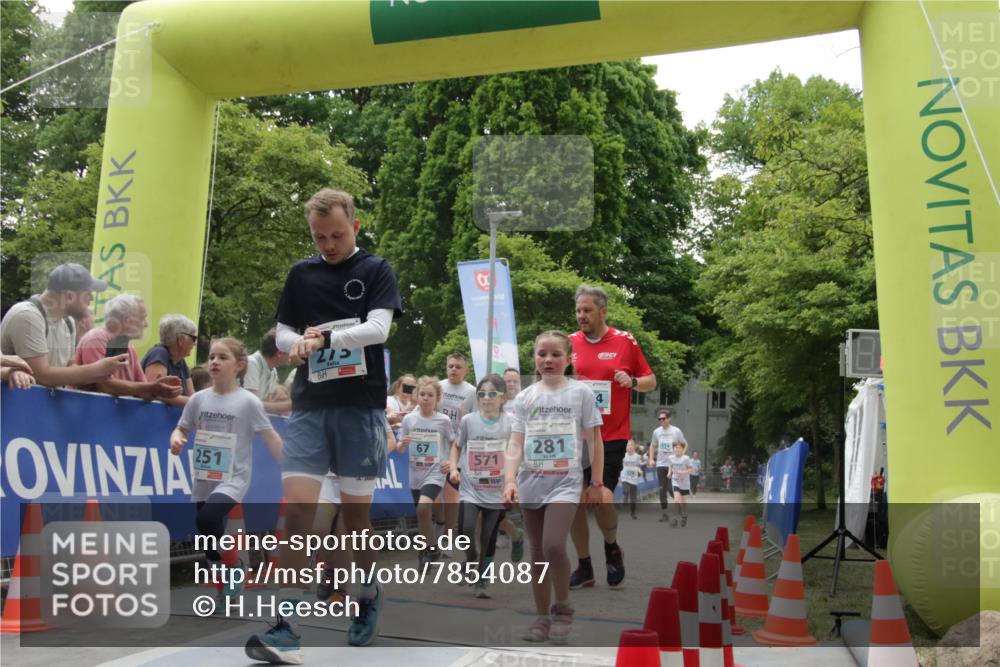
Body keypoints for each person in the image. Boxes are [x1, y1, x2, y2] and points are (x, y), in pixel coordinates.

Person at [246, 188, 401, 663]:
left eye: (335, 235)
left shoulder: (375, 271)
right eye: (319, 237)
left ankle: (367, 595)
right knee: (297, 513)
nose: (327, 244)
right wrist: (299, 342)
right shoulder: (301, 274)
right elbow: (285, 331)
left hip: (359, 408)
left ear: (354, 226)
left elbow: (378, 329)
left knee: (354, 524)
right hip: (309, 407)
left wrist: (325, 336)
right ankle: (286, 628)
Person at [503, 331, 603, 645]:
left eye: (556, 354)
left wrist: (597, 482)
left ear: (569, 358)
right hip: (531, 482)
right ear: (534, 358)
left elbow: (594, 440)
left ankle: (563, 609)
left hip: (566, 482)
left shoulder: (581, 393)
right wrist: (509, 479)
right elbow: (515, 443)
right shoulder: (525, 397)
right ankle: (541, 618)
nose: (548, 360)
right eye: (542, 354)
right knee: (537, 555)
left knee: (554, 546)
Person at [169, 337, 282, 600]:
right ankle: (224, 590)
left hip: (234, 477)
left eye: (223, 357)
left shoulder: (248, 402)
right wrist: (176, 439)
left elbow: (270, 437)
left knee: (207, 519)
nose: (215, 362)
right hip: (204, 475)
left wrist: (289, 468)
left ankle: (235, 567)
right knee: (209, 540)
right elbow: (182, 427)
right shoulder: (198, 400)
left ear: (239, 365)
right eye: (211, 357)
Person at [568, 285, 655, 589]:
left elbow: (650, 380)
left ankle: (611, 545)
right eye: (578, 310)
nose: (581, 316)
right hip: (576, 437)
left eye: (587, 310)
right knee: (574, 500)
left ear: (603, 311)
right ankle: (584, 565)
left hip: (612, 436)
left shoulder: (624, 341)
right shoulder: (570, 343)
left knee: (601, 497)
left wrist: (631, 381)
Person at [1, 263, 128, 387]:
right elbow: (39, 375)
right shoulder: (27, 315)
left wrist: (100, 374)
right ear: (69, 296)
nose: (91, 299)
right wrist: (94, 370)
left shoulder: (68, 322)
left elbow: (70, 367)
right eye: (88, 294)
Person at [450, 374, 510, 598]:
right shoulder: (469, 421)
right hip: (471, 487)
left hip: (497, 489)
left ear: (502, 397)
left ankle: (483, 579)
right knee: (465, 528)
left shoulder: (511, 422)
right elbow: (457, 446)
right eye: (482, 394)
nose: (486, 398)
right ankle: (470, 558)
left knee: (488, 536)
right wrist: (455, 468)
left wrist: (514, 481)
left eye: (492, 394)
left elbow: (516, 454)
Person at [74, 294, 182, 402]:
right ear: (126, 320)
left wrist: (158, 389)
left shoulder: (129, 349)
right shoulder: (96, 339)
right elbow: (105, 386)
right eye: (143, 318)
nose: (146, 324)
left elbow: (145, 392)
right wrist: (152, 387)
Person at [398, 376, 455, 566]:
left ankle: (425, 552)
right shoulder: (409, 419)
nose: (425, 398)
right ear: (417, 396)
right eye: (422, 394)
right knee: (422, 514)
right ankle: (429, 548)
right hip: (415, 473)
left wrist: (450, 462)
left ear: (437, 398)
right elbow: (399, 447)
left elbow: (455, 442)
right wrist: (403, 444)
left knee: (423, 507)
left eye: (430, 395)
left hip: (435, 471)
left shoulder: (443, 420)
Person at [438, 353, 476, 539]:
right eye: (451, 365)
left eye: (458, 366)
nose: (453, 369)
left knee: (451, 492)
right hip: (437, 445)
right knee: (432, 491)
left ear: (465, 370)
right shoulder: (439, 386)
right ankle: (439, 523)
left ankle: (448, 534)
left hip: (459, 447)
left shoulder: (471, 392)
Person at [141, 313, 198, 404]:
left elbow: (192, 394)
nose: (195, 343)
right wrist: (193, 403)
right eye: (194, 338)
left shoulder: (181, 362)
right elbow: (155, 393)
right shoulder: (159, 354)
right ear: (181, 340)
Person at [649, 409, 687, 522]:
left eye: (663, 418)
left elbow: (684, 444)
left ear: (669, 419)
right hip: (661, 464)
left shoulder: (676, 431)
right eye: (659, 419)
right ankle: (665, 513)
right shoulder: (656, 432)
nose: (661, 420)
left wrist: (681, 456)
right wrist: (651, 458)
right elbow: (653, 446)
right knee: (662, 489)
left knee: (672, 488)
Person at [244, 328, 292, 415]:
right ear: (280, 353)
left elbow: (266, 402)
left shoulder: (273, 371)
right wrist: (288, 406)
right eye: (290, 349)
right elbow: (251, 405)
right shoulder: (252, 363)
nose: (292, 353)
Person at [667, 441, 694, 527]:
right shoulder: (671, 457)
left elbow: (691, 469)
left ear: (683, 449)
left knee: (683, 502)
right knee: (676, 499)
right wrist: (669, 473)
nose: (677, 449)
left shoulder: (686, 458)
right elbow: (670, 465)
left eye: (679, 448)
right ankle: (674, 517)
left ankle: (684, 516)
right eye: (676, 448)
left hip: (685, 482)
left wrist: (683, 472)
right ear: (673, 449)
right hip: (675, 480)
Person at [619, 440, 643, 520]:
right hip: (625, 477)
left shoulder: (637, 457)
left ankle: (633, 513)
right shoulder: (623, 455)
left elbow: (637, 466)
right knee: (625, 490)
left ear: (634, 447)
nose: (630, 447)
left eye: (631, 445)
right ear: (626, 447)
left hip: (633, 478)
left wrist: (640, 471)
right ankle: (625, 497)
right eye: (628, 445)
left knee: (633, 498)